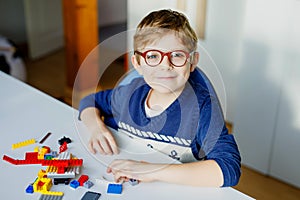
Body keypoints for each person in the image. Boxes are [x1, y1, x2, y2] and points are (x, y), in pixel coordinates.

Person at [78, 9, 241, 187]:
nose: (165, 65)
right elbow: (89, 102)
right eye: (153, 56)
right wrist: (95, 127)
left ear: (192, 62)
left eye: (177, 55)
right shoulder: (129, 94)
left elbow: (229, 169)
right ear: (138, 64)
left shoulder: (202, 108)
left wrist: (152, 171)